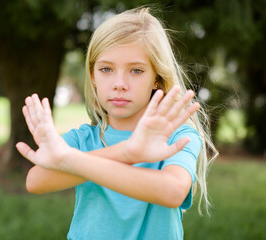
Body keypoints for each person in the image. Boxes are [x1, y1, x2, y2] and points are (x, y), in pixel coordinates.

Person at [16, 7, 218, 240]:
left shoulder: (176, 135)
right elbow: (36, 181)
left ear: (157, 78)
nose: (119, 83)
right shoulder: (83, 139)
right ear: (92, 75)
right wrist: (126, 153)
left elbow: (172, 191)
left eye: (136, 70)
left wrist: (70, 161)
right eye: (106, 69)